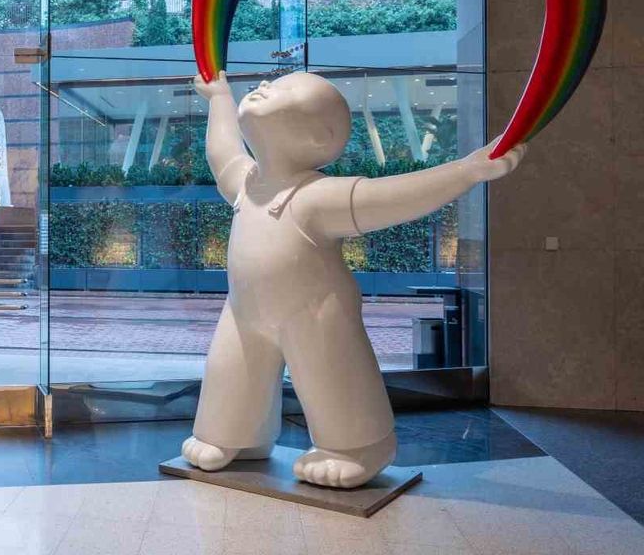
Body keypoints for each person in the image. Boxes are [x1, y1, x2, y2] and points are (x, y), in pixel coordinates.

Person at [183, 70, 526, 488]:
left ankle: (358, 446)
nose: (266, 87)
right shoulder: (247, 182)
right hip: (243, 311)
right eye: (271, 83)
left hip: (315, 310)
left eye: (285, 89)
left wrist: (466, 171)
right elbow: (223, 151)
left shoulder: (317, 195)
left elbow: (393, 196)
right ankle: (234, 436)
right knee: (230, 370)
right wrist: (220, 97)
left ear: (318, 137)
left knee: (332, 375)